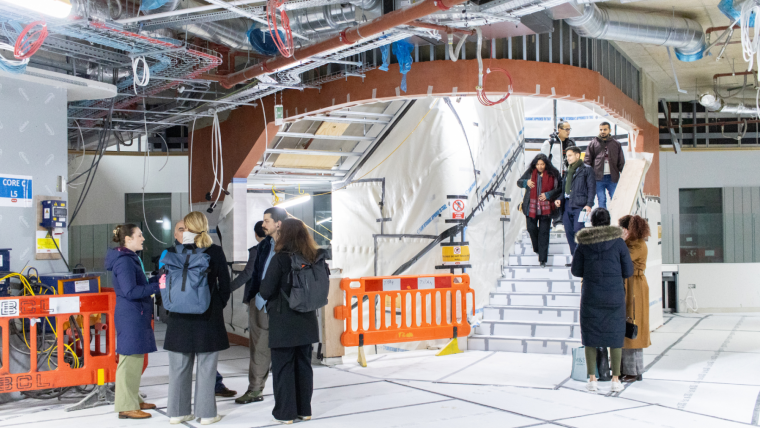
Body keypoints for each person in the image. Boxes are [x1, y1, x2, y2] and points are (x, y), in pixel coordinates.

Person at [164, 212, 231, 425]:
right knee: (206, 369)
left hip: (177, 319)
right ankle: (207, 414)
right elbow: (225, 286)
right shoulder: (214, 251)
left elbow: (163, 283)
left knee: (178, 369)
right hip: (207, 318)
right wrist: (216, 304)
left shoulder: (170, 252)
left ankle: (177, 412)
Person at [259, 218, 322, 424]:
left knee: (283, 367)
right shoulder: (313, 257)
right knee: (304, 365)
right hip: (307, 319)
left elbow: (266, 290)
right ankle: (305, 410)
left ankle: (286, 414)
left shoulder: (281, 258)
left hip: (283, 320)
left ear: (284, 234)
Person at [572, 208, 633, 393]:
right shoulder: (619, 243)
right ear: (608, 222)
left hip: (591, 296)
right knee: (615, 336)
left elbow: (576, 271)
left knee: (590, 336)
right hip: (614, 296)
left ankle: (592, 379)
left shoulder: (584, 243)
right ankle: (615, 380)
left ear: (592, 222)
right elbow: (628, 271)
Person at [105, 224, 160, 420]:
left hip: (136, 314)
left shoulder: (130, 258)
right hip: (131, 315)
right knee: (129, 362)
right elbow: (130, 291)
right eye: (139, 235)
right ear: (128, 239)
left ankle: (133, 399)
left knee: (135, 361)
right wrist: (157, 286)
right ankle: (126, 406)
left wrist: (154, 281)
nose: (143, 238)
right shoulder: (124, 262)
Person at [235, 207, 288, 405]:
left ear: (278, 223)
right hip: (260, 302)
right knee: (258, 348)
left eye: (266, 221)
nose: (263, 225)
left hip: (282, 305)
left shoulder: (291, 246)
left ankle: (287, 393)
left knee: (285, 349)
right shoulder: (264, 245)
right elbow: (255, 273)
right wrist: (255, 296)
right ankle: (255, 390)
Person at [618, 215, 652, 382]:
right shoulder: (632, 243)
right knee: (626, 326)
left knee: (633, 325)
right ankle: (626, 369)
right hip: (630, 285)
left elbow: (623, 259)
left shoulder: (636, 244)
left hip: (635, 287)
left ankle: (633, 370)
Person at [518, 153, 561, 268]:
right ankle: (537, 248)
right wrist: (525, 182)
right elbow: (519, 182)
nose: (540, 166)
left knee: (544, 233)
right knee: (531, 229)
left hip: (546, 207)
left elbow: (560, 188)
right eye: (538, 164)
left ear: (546, 164)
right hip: (531, 206)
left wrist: (548, 194)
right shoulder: (530, 172)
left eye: (542, 164)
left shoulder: (554, 173)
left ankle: (542, 259)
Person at [555, 146, 596, 256]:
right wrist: (559, 199)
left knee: (579, 231)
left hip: (580, 205)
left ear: (577, 155)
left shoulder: (587, 169)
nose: (567, 158)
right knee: (569, 232)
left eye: (570, 155)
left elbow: (591, 188)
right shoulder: (568, 170)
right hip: (567, 204)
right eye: (566, 156)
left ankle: (582, 258)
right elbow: (564, 190)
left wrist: (589, 204)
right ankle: (575, 259)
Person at [584, 122, 626, 209]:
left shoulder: (616, 144)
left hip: (613, 177)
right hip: (598, 178)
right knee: (601, 199)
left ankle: (616, 219)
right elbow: (587, 161)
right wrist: (587, 176)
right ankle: (603, 220)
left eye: (605, 129)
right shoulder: (593, 143)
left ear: (610, 130)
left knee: (615, 199)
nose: (602, 131)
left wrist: (625, 175)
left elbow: (621, 161)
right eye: (601, 129)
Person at [230, 221, 266, 292]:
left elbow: (248, 273)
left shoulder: (256, 251)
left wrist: (229, 288)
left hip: (257, 293)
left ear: (256, 234)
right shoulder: (276, 248)